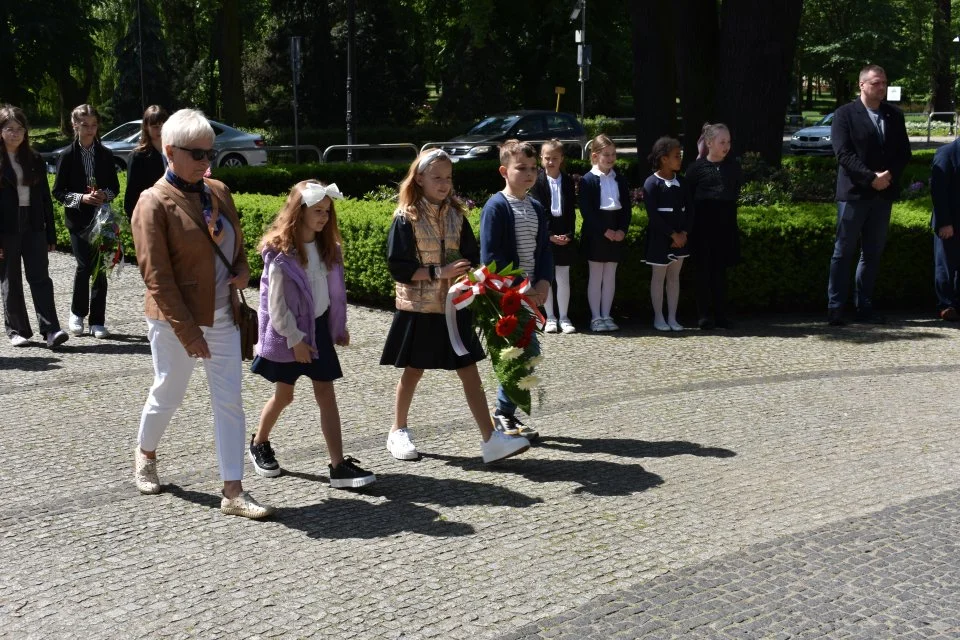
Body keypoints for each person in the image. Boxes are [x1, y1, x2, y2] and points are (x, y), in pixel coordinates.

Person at [131, 108, 273, 519]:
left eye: (210, 152)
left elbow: (236, 245)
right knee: (169, 392)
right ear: (169, 151)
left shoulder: (218, 191)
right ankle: (145, 452)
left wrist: (243, 268)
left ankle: (233, 490)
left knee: (230, 402)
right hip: (174, 320)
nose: (206, 162)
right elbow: (157, 278)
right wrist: (189, 333)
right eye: (197, 154)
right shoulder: (152, 202)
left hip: (223, 316)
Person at [381, 148, 531, 464]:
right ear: (419, 178)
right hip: (419, 309)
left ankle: (490, 439)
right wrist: (440, 273)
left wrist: (479, 283)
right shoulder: (405, 217)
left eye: (448, 178)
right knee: (413, 371)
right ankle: (398, 431)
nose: (444, 183)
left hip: (454, 309)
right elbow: (399, 267)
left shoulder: (456, 215)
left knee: (469, 372)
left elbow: (472, 257)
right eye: (437, 177)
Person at [247, 180, 376, 488]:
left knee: (326, 395)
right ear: (299, 211)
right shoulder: (281, 254)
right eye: (317, 211)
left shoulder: (327, 248)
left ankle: (338, 465)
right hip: (289, 333)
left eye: (327, 212)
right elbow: (275, 307)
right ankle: (259, 442)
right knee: (284, 395)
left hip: (317, 330)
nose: (324, 217)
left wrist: (337, 327)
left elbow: (333, 294)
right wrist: (295, 341)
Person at [827, 64, 911, 326]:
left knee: (872, 253)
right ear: (861, 85)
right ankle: (836, 307)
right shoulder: (844, 115)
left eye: (884, 82)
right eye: (876, 83)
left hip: (882, 195)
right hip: (854, 194)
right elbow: (843, 154)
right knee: (843, 252)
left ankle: (864, 306)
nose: (882, 87)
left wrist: (886, 178)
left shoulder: (894, 115)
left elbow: (903, 153)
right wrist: (870, 178)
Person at [480, 139, 553, 439]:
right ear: (503, 171)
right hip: (506, 299)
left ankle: (505, 414)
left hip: (531, 296)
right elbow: (491, 259)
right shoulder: (496, 207)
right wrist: (518, 288)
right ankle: (502, 413)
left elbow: (544, 250)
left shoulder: (535, 206)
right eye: (520, 168)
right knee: (521, 353)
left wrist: (544, 281)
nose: (528, 174)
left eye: (533, 169)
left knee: (524, 354)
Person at [0, 105, 69, 348]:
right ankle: (17, 330)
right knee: (11, 278)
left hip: (33, 223)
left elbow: (45, 199)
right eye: (9, 129)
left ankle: (51, 329)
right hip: (6, 227)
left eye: (19, 129)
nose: (15, 134)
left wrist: (50, 231)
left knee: (40, 277)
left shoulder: (35, 159)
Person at [52, 104, 121, 339]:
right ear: (75, 126)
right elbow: (58, 192)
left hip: (102, 220)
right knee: (84, 266)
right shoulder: (67, 156)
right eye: (84, 125)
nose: (90, 130)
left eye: (93, 125)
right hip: (79, 221)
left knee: (101, 268)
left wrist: (104, 195)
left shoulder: (106, 154)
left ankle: (97, 320)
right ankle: (77, 313)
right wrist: (81, 198)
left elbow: (115, 187)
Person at [685, 123, 743, 330]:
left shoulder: (733, 166)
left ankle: (721, 314)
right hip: (702, 229)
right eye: (722, 142)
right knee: (702, 271)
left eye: (728, 142)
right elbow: (689, 199)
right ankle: (703, 314)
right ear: (709, 143)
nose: (726, 146)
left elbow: (734, 191)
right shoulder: (696, 169)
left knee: (720, 272)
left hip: (724, 227)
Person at [578, 134, 630, 332]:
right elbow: (587, 211)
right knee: (596, 275)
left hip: (615, 230)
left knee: (610, 276)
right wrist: (604, 231)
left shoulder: (620, 179)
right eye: (606, 154)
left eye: (613, 154)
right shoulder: (588, 180)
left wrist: (622, 230)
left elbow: (626, 208)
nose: (610, 158)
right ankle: (596, 317)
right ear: (595, 156)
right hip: (597, 233)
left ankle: (607, 314)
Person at [642, 136, 692, 331]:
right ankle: (659, 317)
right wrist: (672, 234)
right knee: (659, 276)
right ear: (664, 159)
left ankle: (672, 316)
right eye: (676, 156)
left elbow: (690, 210)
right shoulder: (651, 183)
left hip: (680, 238)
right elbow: (653, 215)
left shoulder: (683, 182)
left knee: (674, 277)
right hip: (660, 238)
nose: (680, 159)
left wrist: (684, 233)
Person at [529, 138, 578, 334]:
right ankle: (550, 317)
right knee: (547, 277)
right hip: (545, 234)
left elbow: (572, 211)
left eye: (555, 158)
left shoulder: (567, 181)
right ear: (541, 159)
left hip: (563, 231)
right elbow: (540, 210)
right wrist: (549, 235)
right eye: (547, 158)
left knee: (563, 277)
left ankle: (564, 317)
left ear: (561, 159)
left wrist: (569, 234)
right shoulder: (538, 182)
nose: (551, 162)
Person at [930, 136, 960, 321]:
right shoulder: (947, 153)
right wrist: (944, 222)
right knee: (946, 266)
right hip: (950, 222)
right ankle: (946, 305)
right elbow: (938, 191)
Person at [123, 105, 168, 219]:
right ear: (146, 127)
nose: (160, 130)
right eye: (155, 126)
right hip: (149, 213)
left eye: (163, 125)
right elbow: (131, 194)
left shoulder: (174, 151)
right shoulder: (138, 156)